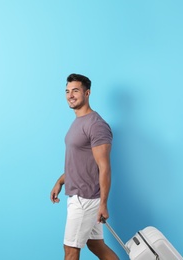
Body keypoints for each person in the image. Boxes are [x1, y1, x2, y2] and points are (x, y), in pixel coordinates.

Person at [50, 73, 119, 260]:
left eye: (75, 91)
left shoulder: (96, 125)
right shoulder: (78, 121)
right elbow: (80, 162)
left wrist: (103, 204)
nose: (70, 95)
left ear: (87, 93)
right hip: (79, 195)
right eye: (67, 91)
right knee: (96, 245)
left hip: (85, 199)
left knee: (71, 250)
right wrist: (60, 181)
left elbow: (104, 167)